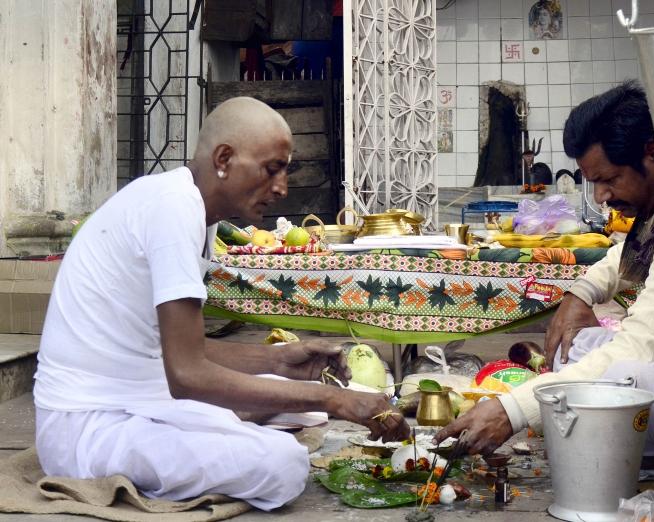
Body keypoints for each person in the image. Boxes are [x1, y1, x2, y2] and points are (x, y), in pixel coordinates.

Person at [33, 97, 409, 510]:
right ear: (224, 159)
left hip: (140, 398)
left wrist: (280, 361)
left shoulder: (193, 210)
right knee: (283, 464)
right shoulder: (172, 209)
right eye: (272, 169)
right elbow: (187, 375)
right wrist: (331, 398)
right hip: (86, 428)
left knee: (300, 408)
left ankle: (235, 426)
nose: (282, 188)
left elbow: (178, 349)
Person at [434, 81, 654, 463]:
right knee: (573, 345)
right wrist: (581, 292)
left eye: (609, 180)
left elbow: (641, 348)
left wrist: (513, 410)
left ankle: (648, 451)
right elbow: (623, 255)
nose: (600, 197)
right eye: (593, 183)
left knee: (628, 372)